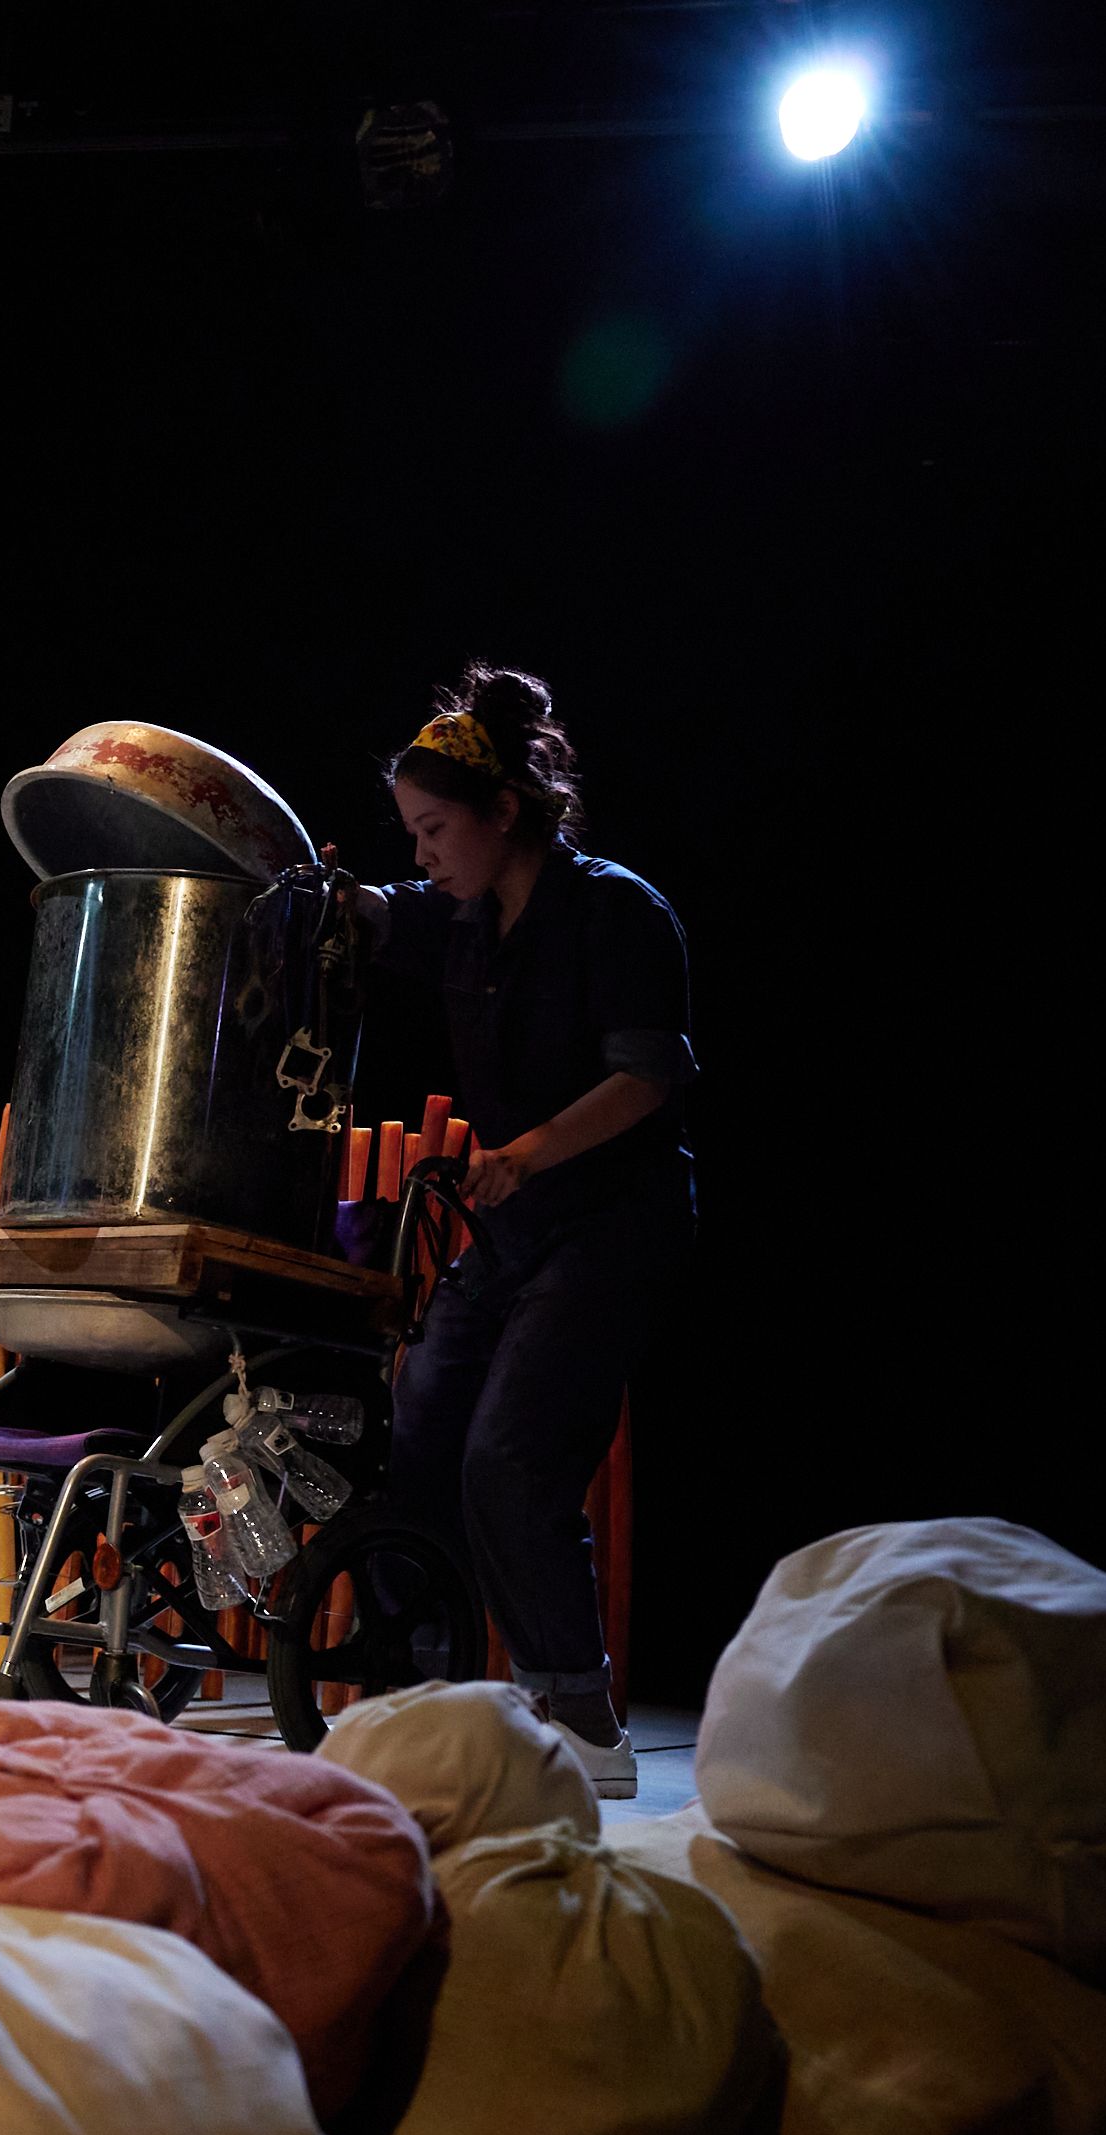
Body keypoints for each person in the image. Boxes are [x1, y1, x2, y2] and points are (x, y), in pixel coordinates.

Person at [353, 664, 693, 1792]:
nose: (422, 854)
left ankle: (583, 1722)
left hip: (611, 1223)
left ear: (504, 811)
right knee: (415, 1436)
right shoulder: (461, 921)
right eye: (411, 832)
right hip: (517, 1226)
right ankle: (424, 1693)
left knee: (511, 1457)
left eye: (435, 829)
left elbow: (647, 1076)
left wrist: (530, 1152)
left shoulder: (615, 911)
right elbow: (382, 911)